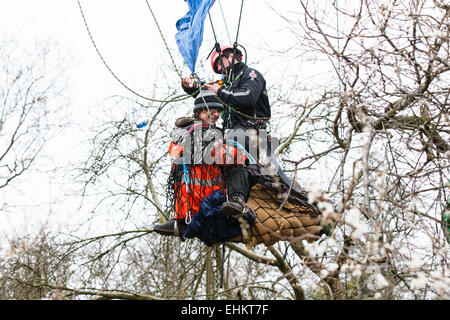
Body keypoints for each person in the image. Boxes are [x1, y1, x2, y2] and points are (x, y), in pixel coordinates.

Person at [203, 45, 272, 217]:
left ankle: (238, 199)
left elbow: (248, 97)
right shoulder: (226, 84)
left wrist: (219, 91)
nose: (219, 69)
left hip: (253, 132)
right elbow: (206, 95)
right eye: (217, 67)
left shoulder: (251, 75)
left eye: (220, 62)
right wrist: (190, 87)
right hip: (234, 132)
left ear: (233, 56)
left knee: (232, 152)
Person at [153, 89, 225, 237]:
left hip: (198, 200)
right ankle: (181, 222)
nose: (217, 114)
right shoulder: (192, 132)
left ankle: (181, 222)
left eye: (218, 111)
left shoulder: (212, 133)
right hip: (199, 197)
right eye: (213, 110)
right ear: (200, 111)